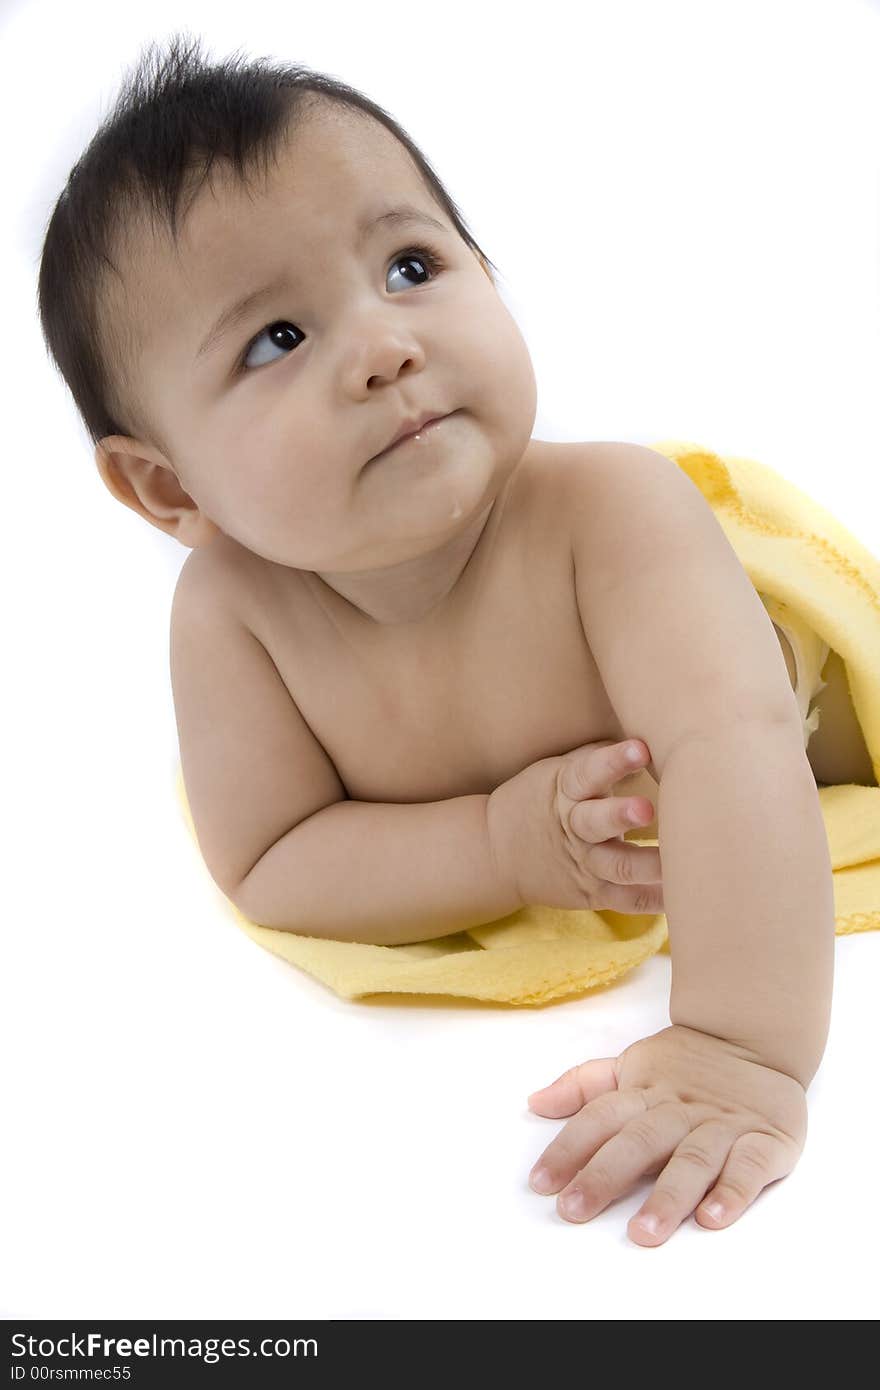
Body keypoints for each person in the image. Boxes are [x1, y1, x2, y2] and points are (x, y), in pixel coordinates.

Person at [36, 33, 876, 1248]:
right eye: (277, 339)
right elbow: (272, 863)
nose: (384, 348)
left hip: (812, 721)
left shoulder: (613, 517)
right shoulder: (233, 620)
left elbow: (734, 749)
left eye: (410, 265)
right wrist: (501, 842)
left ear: (485, 268)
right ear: (168, 490)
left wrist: (739, 1048)